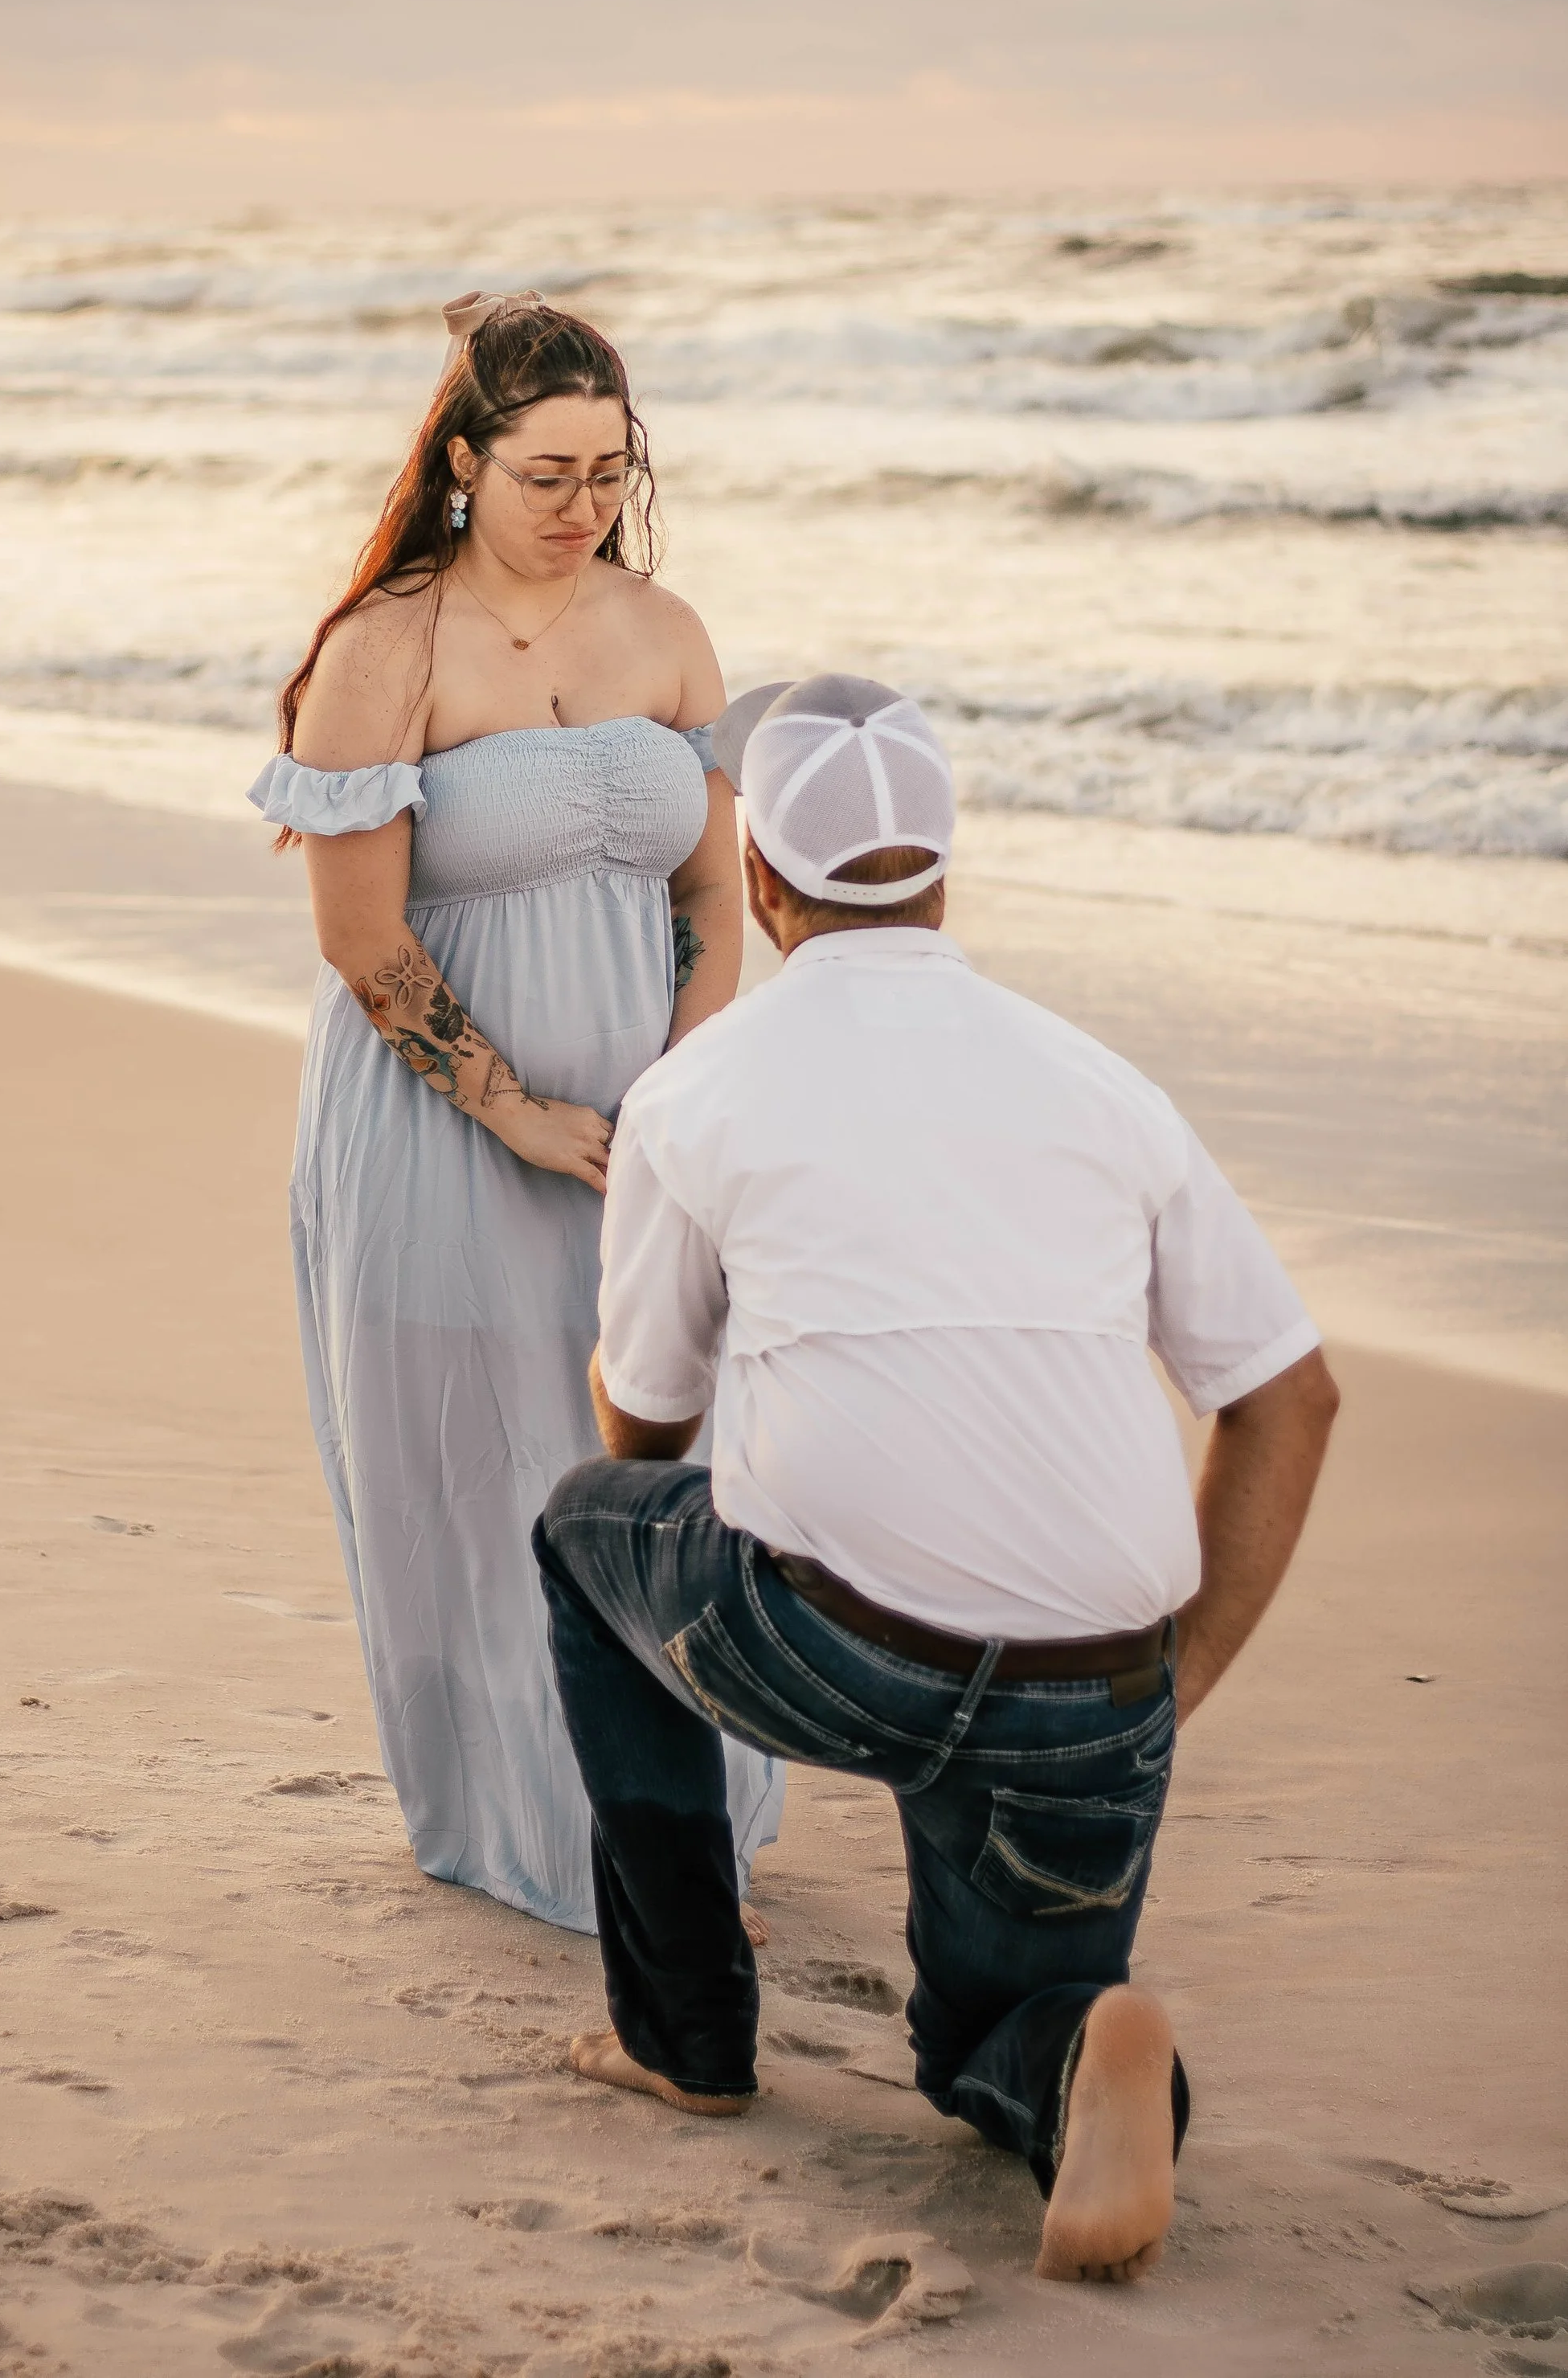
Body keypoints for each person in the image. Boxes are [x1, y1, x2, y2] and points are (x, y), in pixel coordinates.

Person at [535, 672, 1338, 2280]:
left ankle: (683, 2033)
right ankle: (1080, 2069)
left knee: (581, 1532)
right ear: (945, 869)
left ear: (761, 883)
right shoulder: (1102, 1087)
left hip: (840, 1643)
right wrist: (1161, 1690)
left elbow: (645, 1430)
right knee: (981, 2035)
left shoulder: (701, 1089)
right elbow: (1288, 1400)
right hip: (1088, 1683)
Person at [248, 291, 782, 1933]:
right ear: (464, 460)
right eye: (548, 472)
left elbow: (709, 886)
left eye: (611, 472)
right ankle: (521, 1822)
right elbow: (361, 941)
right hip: (436, 1129)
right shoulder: (384, 650)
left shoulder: (664, 629)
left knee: (649, 1461)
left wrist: (681, 1091)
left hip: (643, 1130)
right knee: (476, 1474)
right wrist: (516, 1113)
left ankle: (671, 1814)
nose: (583, 508)